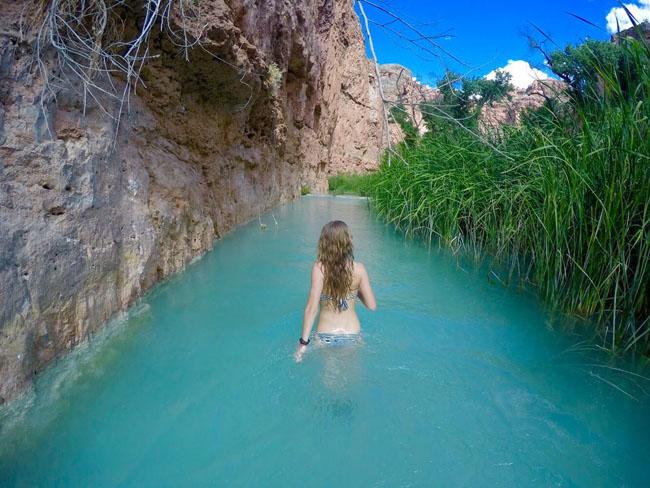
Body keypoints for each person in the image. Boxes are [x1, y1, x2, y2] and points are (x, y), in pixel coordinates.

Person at [294, 220, 376, 362]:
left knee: (329, 379)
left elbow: (311, 309)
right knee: (352, 379)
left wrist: (303, 343)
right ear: (347, 242)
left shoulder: (319, 269)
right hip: (352, 334)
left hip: (326, 334)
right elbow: (372, 306)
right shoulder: (359, 269)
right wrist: (354, 291)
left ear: (324, 243)